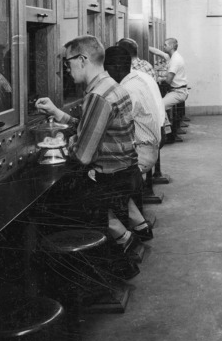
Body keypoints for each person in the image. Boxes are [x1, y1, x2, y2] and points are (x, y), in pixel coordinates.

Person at [35, 35, 142, 255]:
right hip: (127, 173)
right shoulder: (111, 86)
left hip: (110, 179)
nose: (66, 68)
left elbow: (83, 155)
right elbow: (91, 128)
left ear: (82, 60)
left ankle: (119, 245)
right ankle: (123, 236)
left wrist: (57, 142)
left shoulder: (97, 96)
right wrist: (58, 113)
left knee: (53, 207)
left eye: (68, 62)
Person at [104, 45, 164, 241]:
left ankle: (122, 236)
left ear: (115, 68)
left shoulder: (128, 90)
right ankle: (139, 224)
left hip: (142, 153)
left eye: (107, 69)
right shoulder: (137, 80)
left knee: (100, 179)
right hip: (149, 149)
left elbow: (110, 125)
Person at [150, 37, 188, 108]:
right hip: (175, 90)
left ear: (171, 46)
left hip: (178, 92)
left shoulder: (175, 60)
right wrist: (144, 46)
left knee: (159, 106)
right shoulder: (171, 57)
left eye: (165, 45)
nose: (163, 47)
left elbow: (168, 81)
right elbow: (157, 52)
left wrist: (159, 79)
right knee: (158, 103)